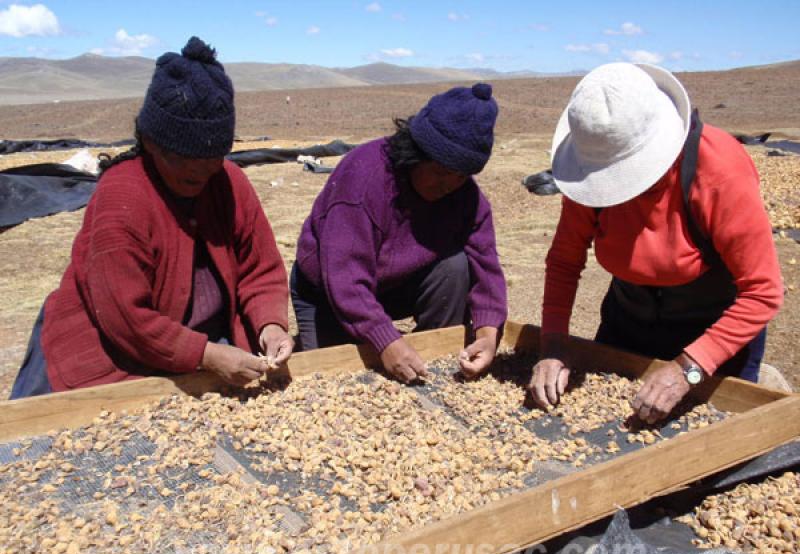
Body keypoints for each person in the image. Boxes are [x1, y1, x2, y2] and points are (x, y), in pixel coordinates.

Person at [10, 37, 292, 399]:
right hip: (115, 354)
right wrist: (206, 354)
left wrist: (270, 324)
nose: (199, 175)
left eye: (210, 164)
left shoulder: (228, 183)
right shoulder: (122, 197)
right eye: (184, 163)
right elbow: (126, 319)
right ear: (150, 142)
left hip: (205, 346)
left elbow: (260, 269)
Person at [529, 62, 783, 423]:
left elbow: (763, 292)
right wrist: (553, 344)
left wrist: (690, 369)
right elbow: (564, 262)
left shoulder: (718, 172)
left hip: (716, 334)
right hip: (627, 321)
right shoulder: (591, 167)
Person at [292, 83, 507, 383]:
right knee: (333, 379)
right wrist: (386, 341)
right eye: (442, 172)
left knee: (454, 267)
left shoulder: (465, 196)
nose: (450, 184)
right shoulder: (364, 178)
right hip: (327, 291)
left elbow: (486, 266)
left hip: (396, 284)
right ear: (416, 152)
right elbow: (345, 277)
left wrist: (487, 332)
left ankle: (432, 363)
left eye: (461, 176)